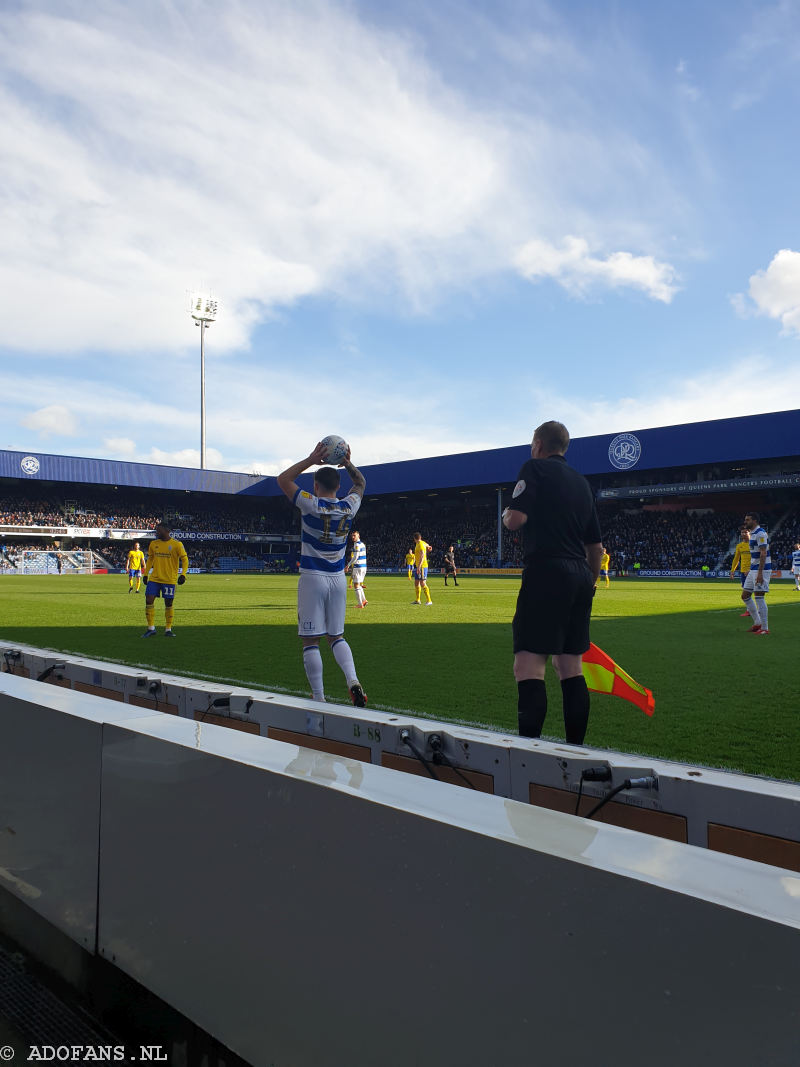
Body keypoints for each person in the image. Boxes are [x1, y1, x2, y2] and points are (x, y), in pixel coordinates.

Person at [502, 420, 603, 745]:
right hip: (580, 575)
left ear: (538, 445)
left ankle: (527, 756)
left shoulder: (534, 468)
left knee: (529, 667)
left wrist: (506, 515)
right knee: (571, 666)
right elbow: (596, 548)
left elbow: (516, 520)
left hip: (546, 570)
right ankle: (577, 750)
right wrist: (591, 581)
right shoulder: (582, 484)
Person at [277, 443, 367, 706]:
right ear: (338, 487)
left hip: (313, 578)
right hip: (338, 579)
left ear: (316, 486)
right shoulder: (349, 506)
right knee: (336, 637)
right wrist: (348, 463)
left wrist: (311, 459)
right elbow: (360, 484)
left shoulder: (310, 503)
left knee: (310, 641)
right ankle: (352, 680)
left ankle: (318, 697)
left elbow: (283, 479)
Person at [141, 523, 189, 637]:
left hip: (169, 579)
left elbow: (185, 559)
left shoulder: (177, 544)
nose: (157, 532)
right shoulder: (153, 544)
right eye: (157, 530)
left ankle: (168, 629)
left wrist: (183, 574)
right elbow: (150, 558)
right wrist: (146, 574)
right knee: (149, 600)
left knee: (168, 603)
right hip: (155, 578)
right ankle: (151, 628)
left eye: (159, 530)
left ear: (167, 531)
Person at [741, 512, 771, 635]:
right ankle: (757, 623)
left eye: (747, 520)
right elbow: (756, 554)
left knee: (759, 597)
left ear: (755, 521)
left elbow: (763, 553)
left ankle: (765, 628)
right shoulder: (752, 534)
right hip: (754, 569)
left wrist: (759, 573)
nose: (745, 522)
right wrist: (751, 568)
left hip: (762, 570)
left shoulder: (760, 533)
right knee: (745, 596)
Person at [730, 528, 751, 615]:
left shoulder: (754, 544)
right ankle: (749, 610)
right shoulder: (739, 546)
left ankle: (755, 610)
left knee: (757, 592)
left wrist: (751, 569)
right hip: (743, 571)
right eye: (742, 532)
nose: (743, 534)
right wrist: (732, 571)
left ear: (750, 533)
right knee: (745, 592)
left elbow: (758, 558)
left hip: (753, 571)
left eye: (745, 532)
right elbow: (736, 559)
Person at [345, 530, 368, 608]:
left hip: (358, 567)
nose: (353, 537)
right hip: (364, 567)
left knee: (356, 585)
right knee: (359, 585)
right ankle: (364, 600)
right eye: (352, 536)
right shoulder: (362, 544)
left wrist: (348, 565)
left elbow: (355, 557)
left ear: (359, 536)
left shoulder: (356, 545)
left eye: (354, 535)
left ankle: (360, 604)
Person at [412, 532, 433, 605]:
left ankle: (429, 600)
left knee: (423, 583)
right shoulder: (422, 543)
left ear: (414, 539)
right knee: (416, 582)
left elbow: (422, 556)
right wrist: (429, 547)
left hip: (422, 566)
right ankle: (418, 600)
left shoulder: (420, 545)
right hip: (419, 566)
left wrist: (419, 567)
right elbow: (428, 545)